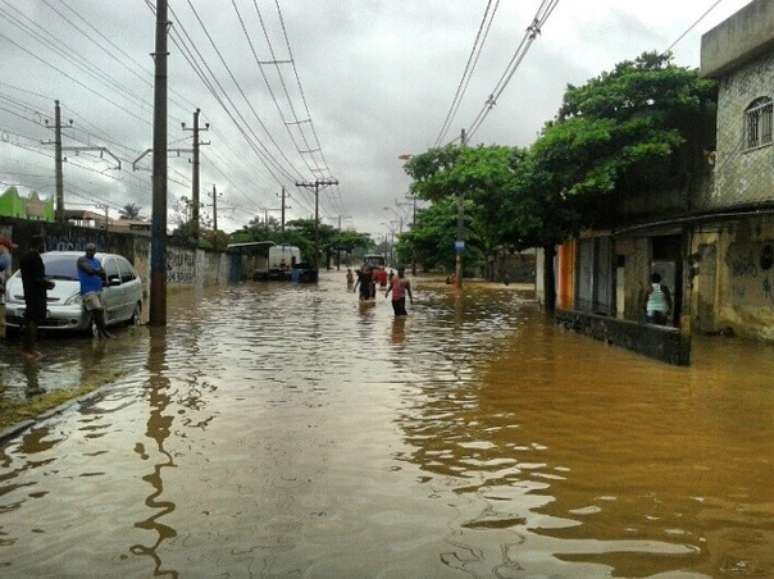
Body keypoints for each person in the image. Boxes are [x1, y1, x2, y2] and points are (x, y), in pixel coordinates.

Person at [20, 234, 54, 356]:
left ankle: (26, 349)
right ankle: (30, 350)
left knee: (29, 320)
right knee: (33, 321)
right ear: (39, 245)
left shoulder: (25, 257)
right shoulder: (35, 258)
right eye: (42, 244)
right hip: (36, 294)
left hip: (28, 292)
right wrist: (49, 284)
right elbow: (38, 278)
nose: (43, 247)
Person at [77, 243, 112, 339]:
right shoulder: (82, 260)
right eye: (88, 250)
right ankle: (102, 332)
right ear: (85, 251)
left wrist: (105, 279)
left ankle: (103, 333)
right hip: (88, 291)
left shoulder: (96, 261)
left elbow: (103, 272)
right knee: (98, 309)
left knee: (99, 312)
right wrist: (99, 271)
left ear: (95, 251)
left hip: (98, 290)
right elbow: (89, 271)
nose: (90, 252)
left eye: (92, 250)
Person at [0, 235, 17, 339]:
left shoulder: (6, 257)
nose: (9, 251)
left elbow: (8, 275)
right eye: (8, 248)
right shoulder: (5, 257)